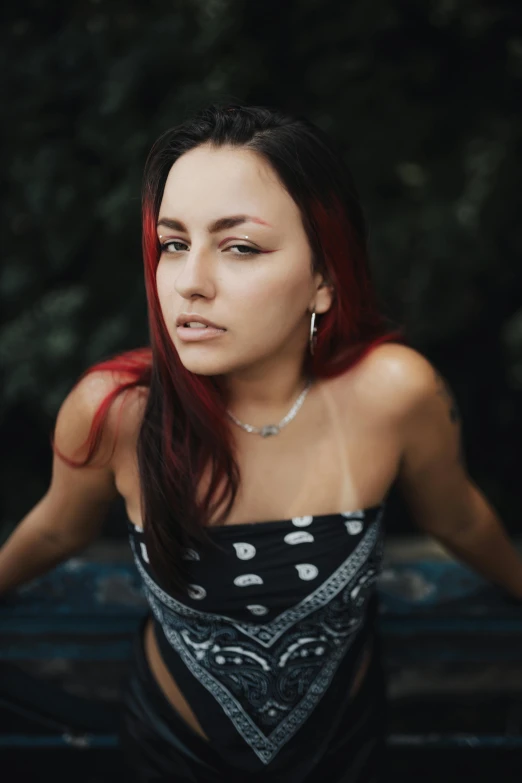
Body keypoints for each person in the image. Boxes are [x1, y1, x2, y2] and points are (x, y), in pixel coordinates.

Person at [1, 103, 522, 783]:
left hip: (347, 744)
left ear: (324, 279)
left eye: (239, 245)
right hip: (173, 750)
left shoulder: (395, 393)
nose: (190, 281)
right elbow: (55, 529)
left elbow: (455, 515)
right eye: (174, 243)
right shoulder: (116, 411)